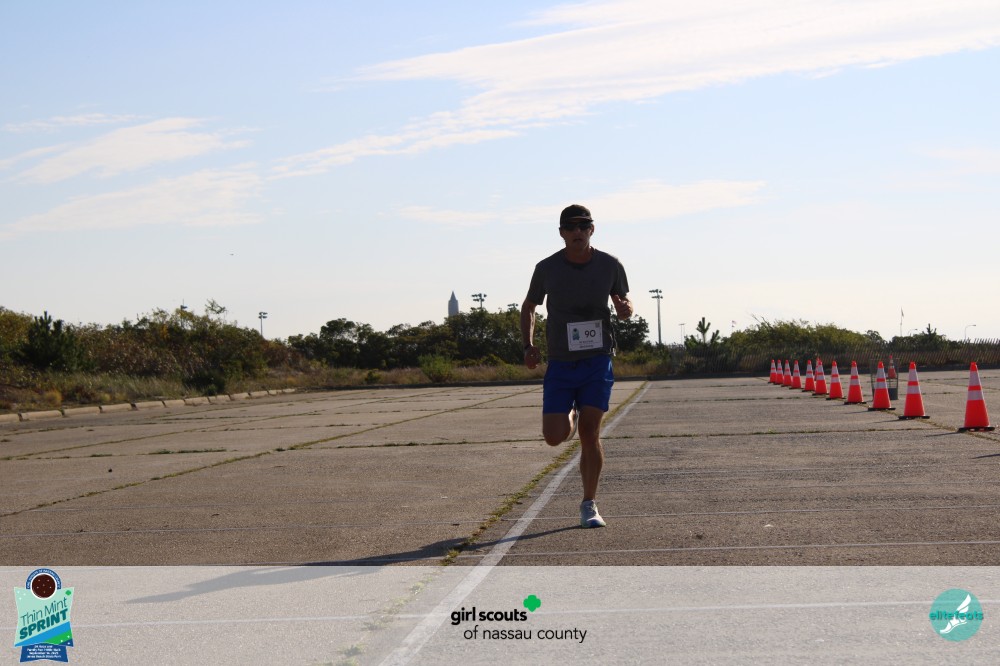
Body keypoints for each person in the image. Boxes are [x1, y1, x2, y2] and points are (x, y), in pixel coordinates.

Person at [520, 204, 633, 528]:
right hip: (561, 361)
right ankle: (571, 411)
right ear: (561, 233)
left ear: (592, 230)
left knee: (590, 432)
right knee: (554, 437)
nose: (577, 232)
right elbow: (529, 306)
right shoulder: (547, 268)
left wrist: (625, 309)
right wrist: (528, 345)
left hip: (597, 358)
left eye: (584, 226)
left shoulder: (610, 265)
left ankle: (589, 504)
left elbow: (624, 302)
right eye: (570, 227)